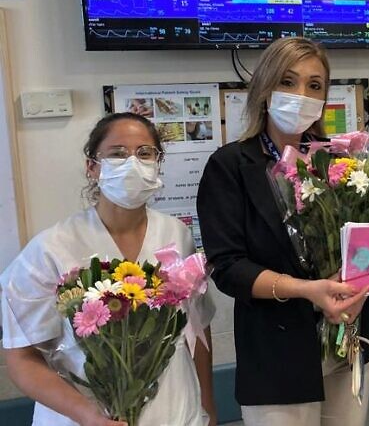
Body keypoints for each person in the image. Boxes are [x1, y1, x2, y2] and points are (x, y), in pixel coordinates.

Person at [197, 37, 369, 426]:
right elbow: (229, 268)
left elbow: (365, 238)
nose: (301, 94)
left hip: (350, 336)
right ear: (265, 89)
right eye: (288, 81)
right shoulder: (230, 165)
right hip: (276, 353)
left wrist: (357, 286)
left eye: (314, 85)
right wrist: (308, 290)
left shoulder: (340, 160)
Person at [0, 112, 216, 426]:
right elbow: (21, 359)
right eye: (117, 154)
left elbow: (196, 328)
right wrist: (86, 415)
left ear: (158, 164)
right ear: (92, 167)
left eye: (144, 153)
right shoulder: (50, 249)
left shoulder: (176, 236)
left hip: (174, 410)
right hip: (83, 417)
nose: (132, 163)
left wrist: (207, 405)